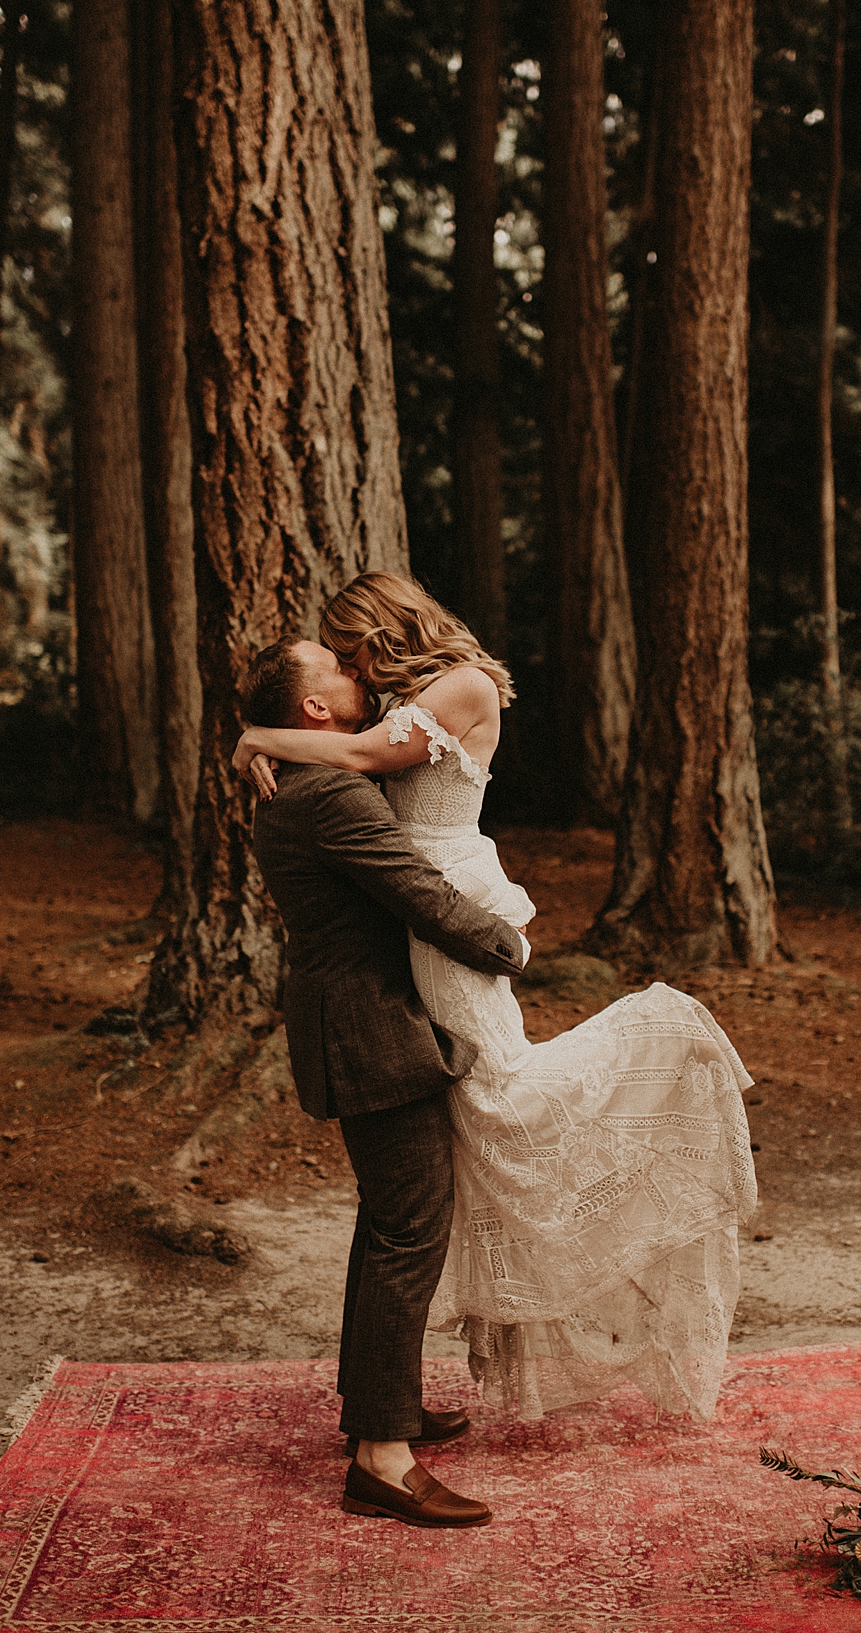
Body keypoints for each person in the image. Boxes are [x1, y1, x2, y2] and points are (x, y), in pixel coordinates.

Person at [236, 573, 760, 1424]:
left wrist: (256, 736)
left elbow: (360, 756)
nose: (349, 663)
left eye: (349, 643)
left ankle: (661, 1055)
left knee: (497, 1096)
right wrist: (270, 736)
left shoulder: (464, 683)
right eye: (334, 658)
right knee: (453, 1142)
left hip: (447, 906)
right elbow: (341, 744)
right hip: (415, 923)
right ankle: (381, 1409)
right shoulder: (388, 706)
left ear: (386, 622)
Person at [244, 635, 532, 1529]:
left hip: (354, 1023)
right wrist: (506, 945)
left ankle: (377, 1411)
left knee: (389, 1224)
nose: (354, 671)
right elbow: (420, 894)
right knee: (410, 1227)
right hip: (372, 1032)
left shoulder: (309, 777)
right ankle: (381, 1457)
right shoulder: (331, 794)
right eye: (335, 667)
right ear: (316, 711)